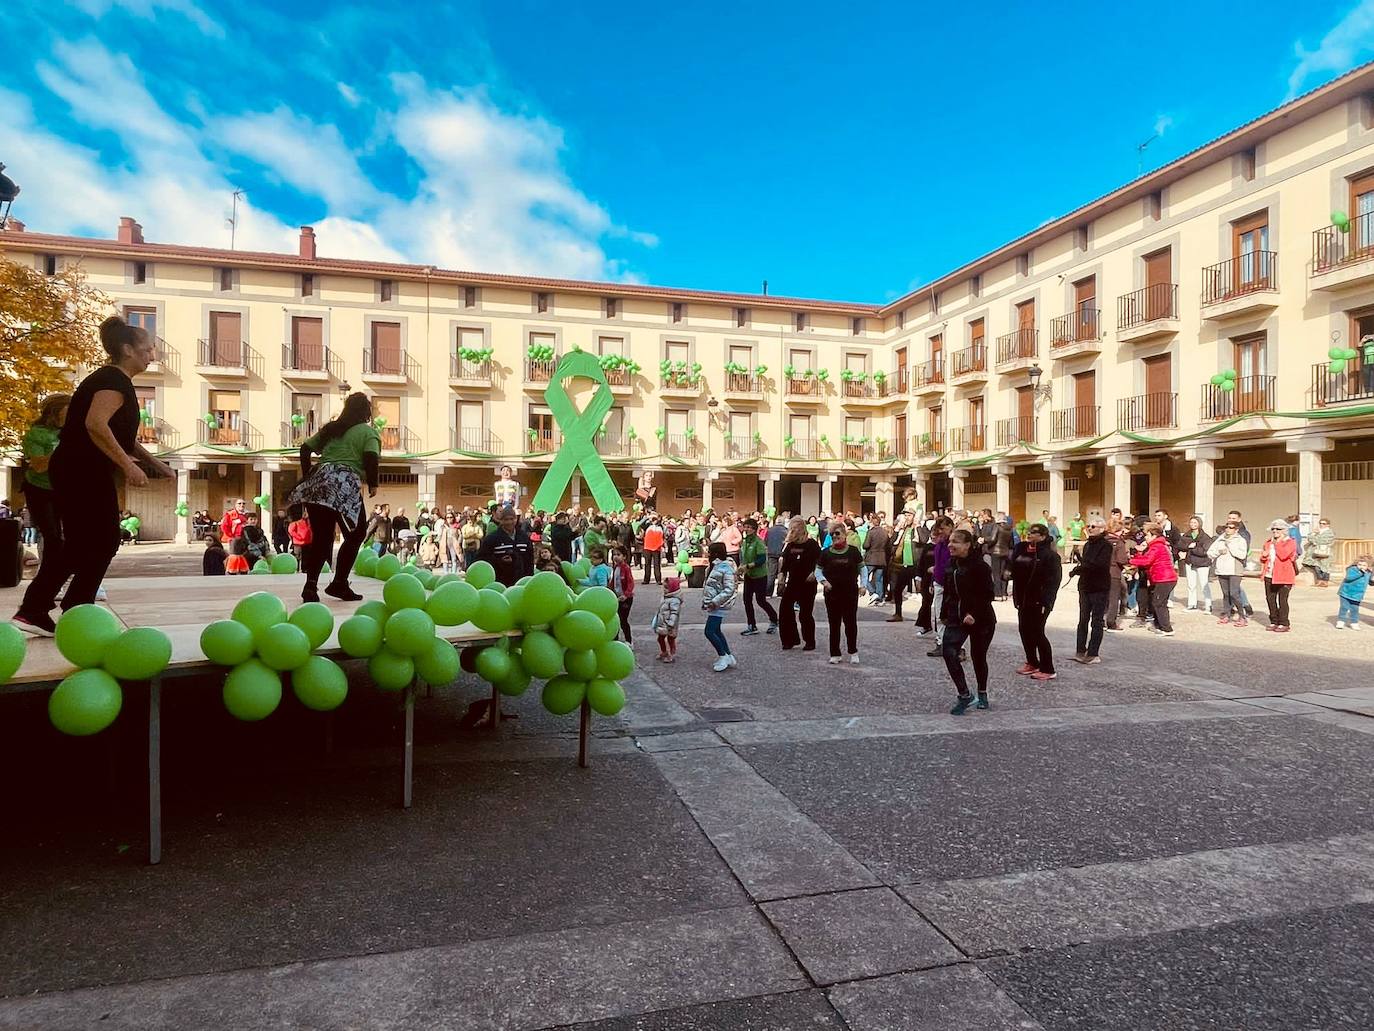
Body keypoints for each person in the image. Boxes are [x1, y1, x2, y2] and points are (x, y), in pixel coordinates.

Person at [12, 316, 172, 635]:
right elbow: (95, 424)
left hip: (81, 469)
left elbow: (122, 437)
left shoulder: (116, 380)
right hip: (80, 469)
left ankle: (59, 607)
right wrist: (127, 466)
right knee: (98, 540)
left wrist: (155, 463)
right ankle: (52, 607)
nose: (152, 354)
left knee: (89, 542)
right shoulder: (112, 380)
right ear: (127, 349)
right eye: (147, 348)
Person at [288, 391, 380, 602]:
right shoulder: (368, 433)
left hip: (318, 481)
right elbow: (371, 457)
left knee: (322, 536)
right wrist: (373, 484)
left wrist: (307, 475)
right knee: (357, 534)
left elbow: (305, 449)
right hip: (343, 482)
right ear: (366, 412)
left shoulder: (333, 429)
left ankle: (310, 586)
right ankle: (339, 583)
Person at [17, 393, 68, 595]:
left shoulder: (70, 431)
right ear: (55, 413)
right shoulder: (37, 434)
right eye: (68, 410)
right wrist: (63, 450)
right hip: (39, 489)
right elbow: (38, 466)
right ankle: (50, 582)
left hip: (62, 489)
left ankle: (61, 578)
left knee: (68, 536)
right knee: (52, 536)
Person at [943, 528, 997, 715]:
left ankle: (982, 693)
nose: (950, 545)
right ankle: (965, 694)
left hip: (981, 618)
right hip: (956, 617)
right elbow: (949, 591)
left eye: (955, 542)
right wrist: (944, 613)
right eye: (950, 541)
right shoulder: (951, 564)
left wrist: (973, 613)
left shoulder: (980, 566)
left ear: (967, 545)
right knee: (949, 651)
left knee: (978, 656)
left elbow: (988, 594)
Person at [1009, 522, 1061, 681]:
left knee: (1037, 632)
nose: (1029, 534)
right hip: (1023, 599)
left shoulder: (1050, 556)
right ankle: (1032, 662)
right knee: (1024, 630)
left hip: (1039, 601)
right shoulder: (1021, 549)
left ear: (1043, 536)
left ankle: (1048, 668)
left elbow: (1053, 581)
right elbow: (1014, 569)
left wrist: (1046, 601)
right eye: (1029, 531)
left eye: (1034, 532)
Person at [816, 520, 863, 664]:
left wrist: (864, 585)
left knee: (850, 623)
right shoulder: (825, 553)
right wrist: (824, 581)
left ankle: (853, 651)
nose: (835, 536)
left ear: (844, 534)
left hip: (850, 592)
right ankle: (835, 653)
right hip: (832, 593)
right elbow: (818, 570)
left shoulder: (853, 551)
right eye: (832, 534)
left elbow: (863, 569)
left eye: (837, 533)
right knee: (834, 623)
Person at [1068, 515, 1111, 664]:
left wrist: (1081, 566)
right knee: (1082, 620)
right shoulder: (1087, 544)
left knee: (1096, 621)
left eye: (1093, 527)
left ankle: (1093, 653)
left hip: (1099, 587)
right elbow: (1087, 563)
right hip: (1085, 586)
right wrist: (1078, 567)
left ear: (1102, 529)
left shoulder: (1106, 546)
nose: (1090, 529)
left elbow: (1100, 565)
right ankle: (1080, 650)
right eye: (1088, 526)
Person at [776, 516, 821, 651]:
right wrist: (781, 576)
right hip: (793, 582)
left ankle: (809, 641)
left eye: (795, 528)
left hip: (807, 583)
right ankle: (790, 639)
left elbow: (820, 562)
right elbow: (784, 561)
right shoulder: (791, 545)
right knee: (785, 610)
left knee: (805, 614)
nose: (792, 531)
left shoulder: (812, 544)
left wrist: (814, 573)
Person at [1129, 522, 1178, 636]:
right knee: (1160, 602)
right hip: (1163, 579)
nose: (1145, 537)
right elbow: (1146, 559)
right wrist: (1137, 555)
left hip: (1164, 579)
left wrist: (1130, 561)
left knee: (1158, 603)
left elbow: (1147, 561)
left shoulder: (1157, 546)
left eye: (1147, 535)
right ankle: (1160, 625)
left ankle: (1167, 629)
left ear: (1153, 535)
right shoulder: (1156, 546)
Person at [738, 517, 778, 636]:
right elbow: (744, 557)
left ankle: (774, 619)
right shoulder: (745, 542)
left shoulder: (758, 542)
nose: (746, 529)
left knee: (761, 601)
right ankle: (751, 625)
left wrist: (748, 566)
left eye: (749, 527)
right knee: (747, 600)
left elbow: (761, 559)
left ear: (754, 529)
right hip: (749, 575)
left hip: (760, 576)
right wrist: (741, 567)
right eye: (745, 527)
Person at [701, 541, 738, 672]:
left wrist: (715, 601)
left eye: (710, 552)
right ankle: (728, 655)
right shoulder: (715, 566)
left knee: (709, 631)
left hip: (719, 605)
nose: (707, 554)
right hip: (715, 603)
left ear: (716, 553)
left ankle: (723, 656)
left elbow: (729, 589)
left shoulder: (725, 568)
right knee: (716, 630)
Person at [477, 505, 534, 587]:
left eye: (512, 519)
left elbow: (530, 560)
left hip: (521, 583)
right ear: (501, 520)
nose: (509, 522)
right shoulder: (492, 538)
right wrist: (499, 561)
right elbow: (482, 559)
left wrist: (529, 579)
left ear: (516, 519)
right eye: (506, 519)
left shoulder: (524, 537)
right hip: (501, 583)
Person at [1207, 520, 1250, 626]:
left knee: (1234, 593)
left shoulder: (1240, 540)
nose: (1228, 529)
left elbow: (1242, 555)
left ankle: (1242, 615)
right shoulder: (1220, 539)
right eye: (1226, 527)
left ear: (1236, 530)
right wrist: (1219, 552)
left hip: (1235, 570)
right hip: (1222, 569)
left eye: (1231, 528)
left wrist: (1230, 546)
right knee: (1226, 594)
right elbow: (1210, 553)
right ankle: (1226, 614)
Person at [1260, 518, 1298, 632]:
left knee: (1282, 600)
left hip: (1284, 576)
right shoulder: (1268, 542)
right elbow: (1263, 558)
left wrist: (1278, 543)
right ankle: (1274, 621)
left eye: (1278, 529)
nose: (1275, 531)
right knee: (1270, 599)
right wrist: (1264, 556)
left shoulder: (1290, 542)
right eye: (1273, 529)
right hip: (1269, 574)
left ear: (1284, 530)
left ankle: (1284, 622)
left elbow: (1283, 555)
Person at [885, 512, 921, 622]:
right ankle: (898, 613)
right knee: (896, 589)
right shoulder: (902, 530)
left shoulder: (916, 529)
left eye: (909, 515)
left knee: (923, 591)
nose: (906, 518)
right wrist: (896, 530)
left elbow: (923, 539)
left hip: (912, 563)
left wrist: (918, 527)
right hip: (899, 563)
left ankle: (925, 619)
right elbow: (890, 544)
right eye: (905, 516)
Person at [1178, 516, 1214, 613]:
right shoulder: (1186, 535)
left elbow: (1205, 551)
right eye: (1191, 522)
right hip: (1190, 562)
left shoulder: (1205, 537)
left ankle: (1208, 605)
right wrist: (1188, 546)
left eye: (1195, 522)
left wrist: (1193, 548)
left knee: (1204, 584)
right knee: (1191, 585)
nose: (1193, 524)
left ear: (1199, 524)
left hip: (1202, 563)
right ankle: (1192, 604)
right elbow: (1180, 545)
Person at [1336, 555, 1372, 630]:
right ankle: (1341, 621)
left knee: (1355, 609)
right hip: (1346, 593)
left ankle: (1354, 622)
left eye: (1364, 565)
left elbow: (1369, 581)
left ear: (1368, 566)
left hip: (1357, 595)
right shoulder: (1352, 569)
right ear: (1356, 564)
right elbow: (1349, 578)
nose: (1361, 567)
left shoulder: (1368, 573)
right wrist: (1360, 573)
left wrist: (1372, 581)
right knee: (1344, 607)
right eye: (1359, 564)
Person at [653, 575, 683, 661]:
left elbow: (674, 613)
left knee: (670, 640)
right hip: (663, 622)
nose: (664, 590)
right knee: (660, 638)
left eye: (666, 588)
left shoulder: (675, 600)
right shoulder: (665, 597)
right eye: (664, 587)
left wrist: (671, 623)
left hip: (670, 624)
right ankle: (664, 651)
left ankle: (672, 654)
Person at [610, 545, 636, 643]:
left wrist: (626, 595)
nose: (616, 557)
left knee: (623, 620)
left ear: (624, 556)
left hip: (626, 599)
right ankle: (615, 640)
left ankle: (629, 641)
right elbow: (613, 582)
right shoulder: (615, 567)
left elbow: (630, 583)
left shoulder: (626, 568)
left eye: (618, 554)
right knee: (615, 619)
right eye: (614, 555)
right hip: (616, 598)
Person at [863, 513, 889, 606]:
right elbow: (887, 545)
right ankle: (880, 598)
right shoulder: (885, 532)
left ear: (872, 522)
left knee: (864, 576)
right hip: (881, 558)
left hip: (871, 558)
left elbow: (866, 545)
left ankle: (873, 592)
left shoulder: (871, 532)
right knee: (879, 579)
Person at [1301, 517, 1336, 588]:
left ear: (1328, 525)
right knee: (1316, 566)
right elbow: (1310, 538)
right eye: (1320, 523)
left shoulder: (1330, 532)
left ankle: (1325, 582)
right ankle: (1319, 581)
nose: (1321, 525)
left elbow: (1321, 541)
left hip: (1325, 552)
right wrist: (1314, 534)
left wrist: (1314, 539)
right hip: (1316, 552)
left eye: (1324, 523)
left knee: (1325, 567)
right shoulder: (1317, 531)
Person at [764, 515, 788, 596]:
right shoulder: (786, 531)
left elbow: (765, 542)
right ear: (783, 522)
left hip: (771, 553)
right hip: (782, 554)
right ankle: (780, 592)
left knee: (771, 573)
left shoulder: (769, 530)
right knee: (782, 573)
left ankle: (768, 592)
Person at [641, 516, 664, 584]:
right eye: (653, 520)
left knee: (657, 564)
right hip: (648, 547)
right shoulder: (648, 526)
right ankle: (646, 579)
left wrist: (659, 519)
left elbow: (664, 533)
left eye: (655, 519)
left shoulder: (660, 527)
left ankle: (658, 579)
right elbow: (641, 524)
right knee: (647, 564)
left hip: (657, 548)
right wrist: (647, 517)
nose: (654, 521)